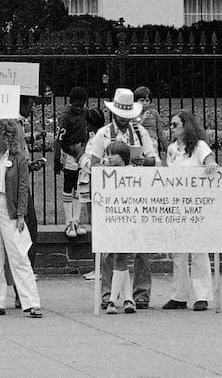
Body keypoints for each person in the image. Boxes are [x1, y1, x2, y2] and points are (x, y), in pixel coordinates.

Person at [83, 88, 159, 308]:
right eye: (121, 115)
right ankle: (108, 294)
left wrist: (143, 162)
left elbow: (154, 159)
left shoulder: (141, 133)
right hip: (111, 197)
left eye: (128, 116)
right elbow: (92, 162)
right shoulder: (103, 134)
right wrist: (109, 165)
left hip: (136, 195)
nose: (125, 120)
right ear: (113, 113)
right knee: (109, 247)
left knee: (141, 245)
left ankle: (141, 293)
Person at [0, 120, 42, 318]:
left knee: (18, 254)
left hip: (8, 207)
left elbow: (22, 186)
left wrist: (21, 214)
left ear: (7, 136)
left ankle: (31, 302)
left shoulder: (18, 158)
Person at [163, 110, 220, 311]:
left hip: (197, 205)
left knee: (199, 250)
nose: (172, 128)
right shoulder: (171, 149)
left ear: (186, 126)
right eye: (170, 124)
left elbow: (209, 160)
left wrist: (211, 165)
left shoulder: (199, 146)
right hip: (177, 204)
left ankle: (202, 295)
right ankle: (180, 294)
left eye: (175, 124)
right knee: (178, 251)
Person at [97, 142, 137, 314]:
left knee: (120, 256)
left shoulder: (132, 172)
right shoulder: (107, 172)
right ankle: (129, 299)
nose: (109, 157)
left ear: (122, 156)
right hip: (113, 220)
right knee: (120, 258)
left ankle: (113, 300)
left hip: (128, 220)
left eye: (113, 154)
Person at [55, 87, 90, 238]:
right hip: (69, 153)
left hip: (81, 152)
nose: (78, 108)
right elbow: (59, 138)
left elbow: (88, 131)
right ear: (71, 103)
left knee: (80, 185)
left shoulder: (85, 113)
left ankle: (77, 220)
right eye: (76, 105)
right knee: (69, 184)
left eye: (81, 105)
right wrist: (57, 158)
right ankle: (69, 221)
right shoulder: (65, 116)